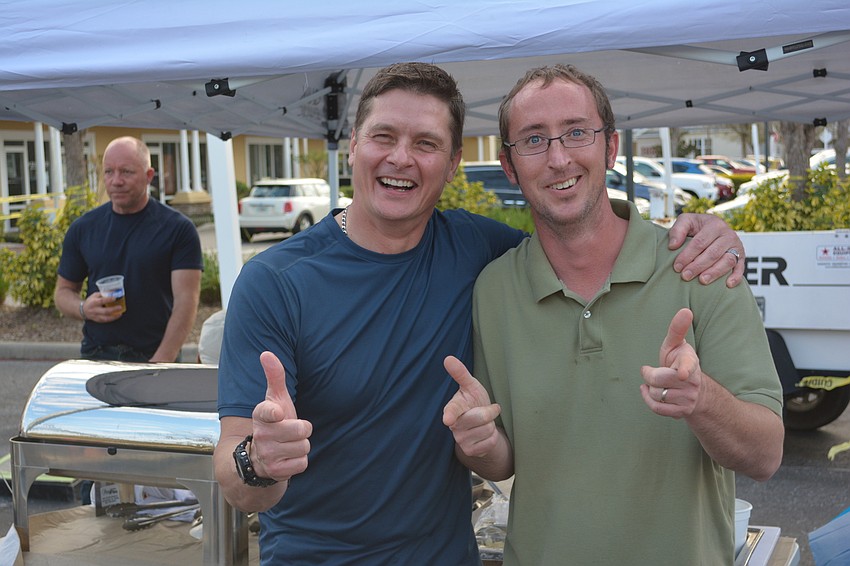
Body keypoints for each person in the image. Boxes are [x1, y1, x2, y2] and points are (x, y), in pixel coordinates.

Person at [213, 62, 746, 565]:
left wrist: (705, 234)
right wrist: (257, 461)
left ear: (452, 165)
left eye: (426, 144)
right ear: (353, 145)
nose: (401, 158)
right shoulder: (276, 283)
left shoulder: (478, 251)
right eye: (383, 137)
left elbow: (582, 240)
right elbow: (235, 482)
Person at [443, 64, 784, 565]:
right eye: (534, 140)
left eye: (576, 132)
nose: (558, 158)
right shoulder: (493, 290)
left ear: (611, 147)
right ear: (510, 166)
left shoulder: (699, 267)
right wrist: (475, 441)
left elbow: (766, 456)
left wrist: (701, 400)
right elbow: (506, 457)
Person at [54, 136, 203, 363]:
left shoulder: (178, 229)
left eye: (126, 172)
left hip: (154, 353)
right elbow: (63, 292)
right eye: (108, 172)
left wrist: (162, 360)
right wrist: (84, 308)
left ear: (148, 176)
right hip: (97, 355)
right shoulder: (83, 228)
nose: (116, 181)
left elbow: (186, 301)